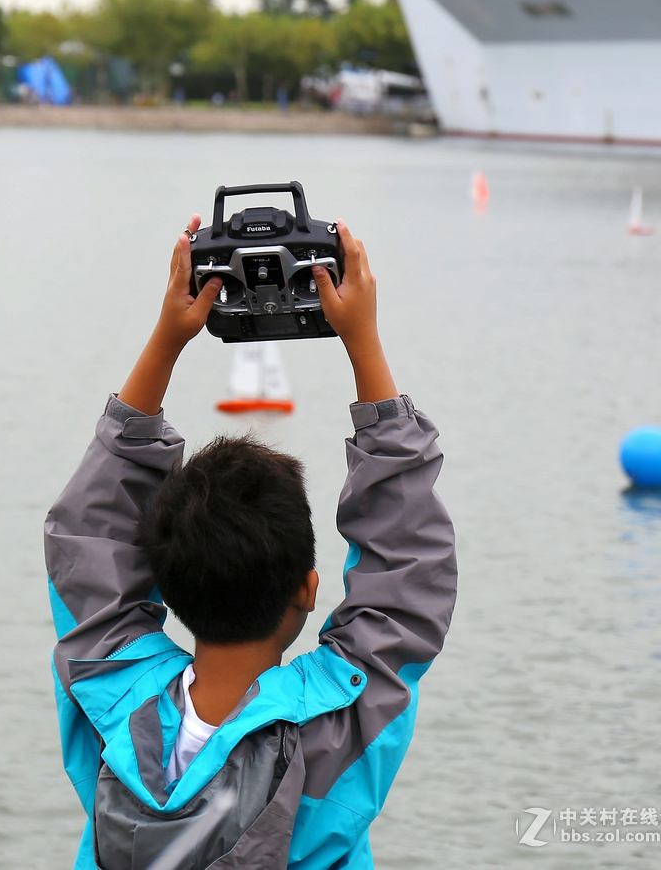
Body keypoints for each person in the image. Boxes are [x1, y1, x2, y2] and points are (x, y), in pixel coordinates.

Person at [45, 215, 456, 870]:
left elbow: (88, 545)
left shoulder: (111, 702)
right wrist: (362, 340)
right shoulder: (335, 730)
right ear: (306, 587)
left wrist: (167, 339)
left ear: (169, 586)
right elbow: (408, 575)